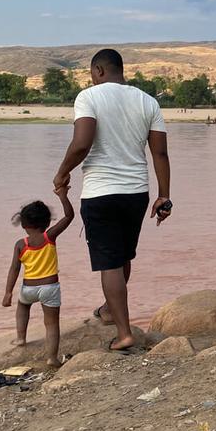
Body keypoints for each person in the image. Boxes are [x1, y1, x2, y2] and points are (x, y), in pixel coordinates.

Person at [53, 48, 172, 353]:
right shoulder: (148, 101)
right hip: (137, 193)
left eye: (92, 73)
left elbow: (81, 144)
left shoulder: (89, 97)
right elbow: (159, 153)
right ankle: (109, 310)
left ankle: (124, 333)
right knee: (122, 257)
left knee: (109, 263)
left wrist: (62, 172)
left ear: (99, 71)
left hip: (101, 192)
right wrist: (164, 195)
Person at [2, 187, 75, 367]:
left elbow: (14, 269)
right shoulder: (49, 236)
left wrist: (8, 292)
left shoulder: (21, 244)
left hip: (28, 288)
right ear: (47, 222)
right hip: (50, 287)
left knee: (23, 306)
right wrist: (63, 197)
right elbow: (69, 216)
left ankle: (20, 338)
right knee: (51, 324)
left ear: (24, 224)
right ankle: (52, 357)